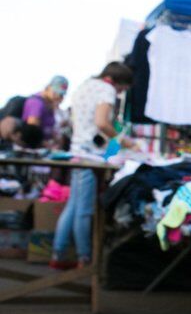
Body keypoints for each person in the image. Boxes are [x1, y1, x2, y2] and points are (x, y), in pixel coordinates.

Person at [50, 62, 133, 270]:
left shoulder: (85, 85)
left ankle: (58, 254)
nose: (120, 92)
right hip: (89, 157)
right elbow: (102, 123)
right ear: (117, 81)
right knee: (84, 210)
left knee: (73, 206)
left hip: (77, 152)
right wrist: (123, 140)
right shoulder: (106, 90)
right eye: (122, 88)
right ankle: (84, 258)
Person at [22, 75, 68, 142]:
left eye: (61, 95)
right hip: (34, 147)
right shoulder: (36, 103)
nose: (58, 96)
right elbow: (32, 133)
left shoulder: (50, 105)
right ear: (48, 87)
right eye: (55, 92)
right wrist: (46, 145)